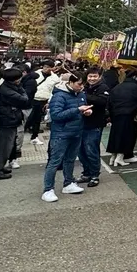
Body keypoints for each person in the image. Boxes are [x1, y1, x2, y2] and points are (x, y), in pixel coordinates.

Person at [42, 72, 90, 202]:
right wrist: (77, 110)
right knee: (55, 162)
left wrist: (86, 112)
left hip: (76, 132)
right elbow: (56, 115)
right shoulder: (59, 96)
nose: (81, 87)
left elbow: (80, 109)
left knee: (70, 159)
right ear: (70, 82)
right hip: (61, 134)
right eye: (79, 84)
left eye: (83, 84)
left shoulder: (81, 94)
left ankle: (68, 183)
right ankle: (48, 189)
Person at [0, 68, 29, 181]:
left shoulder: (4, 87)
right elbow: (24, 99)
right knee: (3, 147)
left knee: (0, 145)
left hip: (2, 119)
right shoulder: (8, 91)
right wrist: (21, 88)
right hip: (7, 121)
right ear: (15, 80)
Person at [107, 71, 137, 166]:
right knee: (126, 136)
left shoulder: (117, 87)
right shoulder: (135, 87)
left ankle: (113, 158)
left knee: (116, 136)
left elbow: (109, 102)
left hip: (116, 115)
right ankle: (120, 158)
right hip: (128, 115)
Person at [79, 68, 111, 187]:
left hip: (95, 124)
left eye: (94, 76)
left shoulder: (103, 88)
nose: (92, 79)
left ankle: (94, 175)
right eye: (90, 76)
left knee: (91, 149)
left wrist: (83, 95)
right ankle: (86, 173)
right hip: (82, 123)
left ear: (99, 76)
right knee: (80, 150)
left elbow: (102, 101)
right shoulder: (84, 86)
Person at [28, 62, 60, 146]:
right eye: (45, 66)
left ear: (53, 68)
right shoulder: (35, 74)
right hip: (32, 99)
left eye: (49, 67)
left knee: (37, 119)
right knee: (27, 117)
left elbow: (54, 91)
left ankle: (34, 137)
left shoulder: (55, 78)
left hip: (43, 100)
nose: (46, 68)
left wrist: (49, 101)